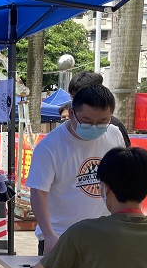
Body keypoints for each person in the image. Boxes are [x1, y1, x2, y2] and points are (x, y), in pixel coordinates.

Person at [27, 83, 126, 256]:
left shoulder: (114, 134)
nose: (94, 127)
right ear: (72, 114)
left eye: (102, 121)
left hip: (104, 235)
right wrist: (49, 235)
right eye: (87, 121)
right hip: (62, 237)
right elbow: (38, 192)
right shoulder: (49, 146)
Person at [68, 72, 131, 147]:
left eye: (101, 122)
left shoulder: (115, 128)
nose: (77, 101)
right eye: (73, 97)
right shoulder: (64, 130)